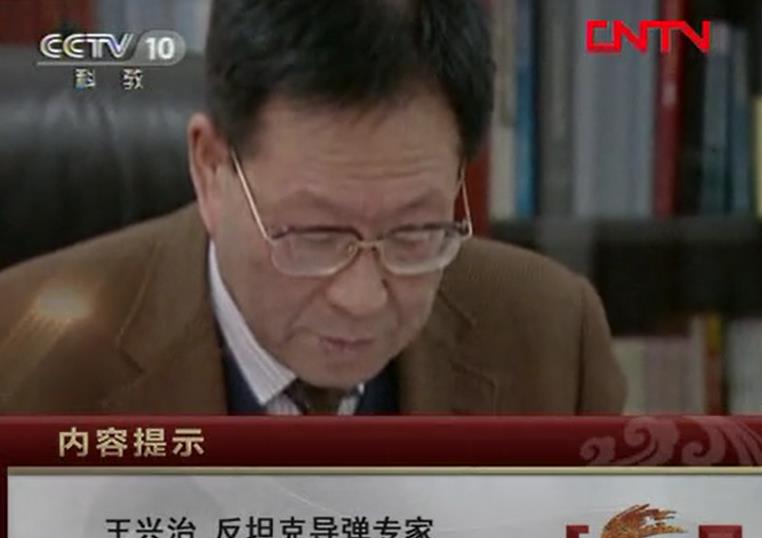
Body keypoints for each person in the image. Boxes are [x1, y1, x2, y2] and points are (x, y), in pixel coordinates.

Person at [0, 0, 625, 415]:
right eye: (314, 235)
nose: (361, 298)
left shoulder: (551, 339)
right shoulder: (22, 354)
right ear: (211, 168)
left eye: (414, 231)